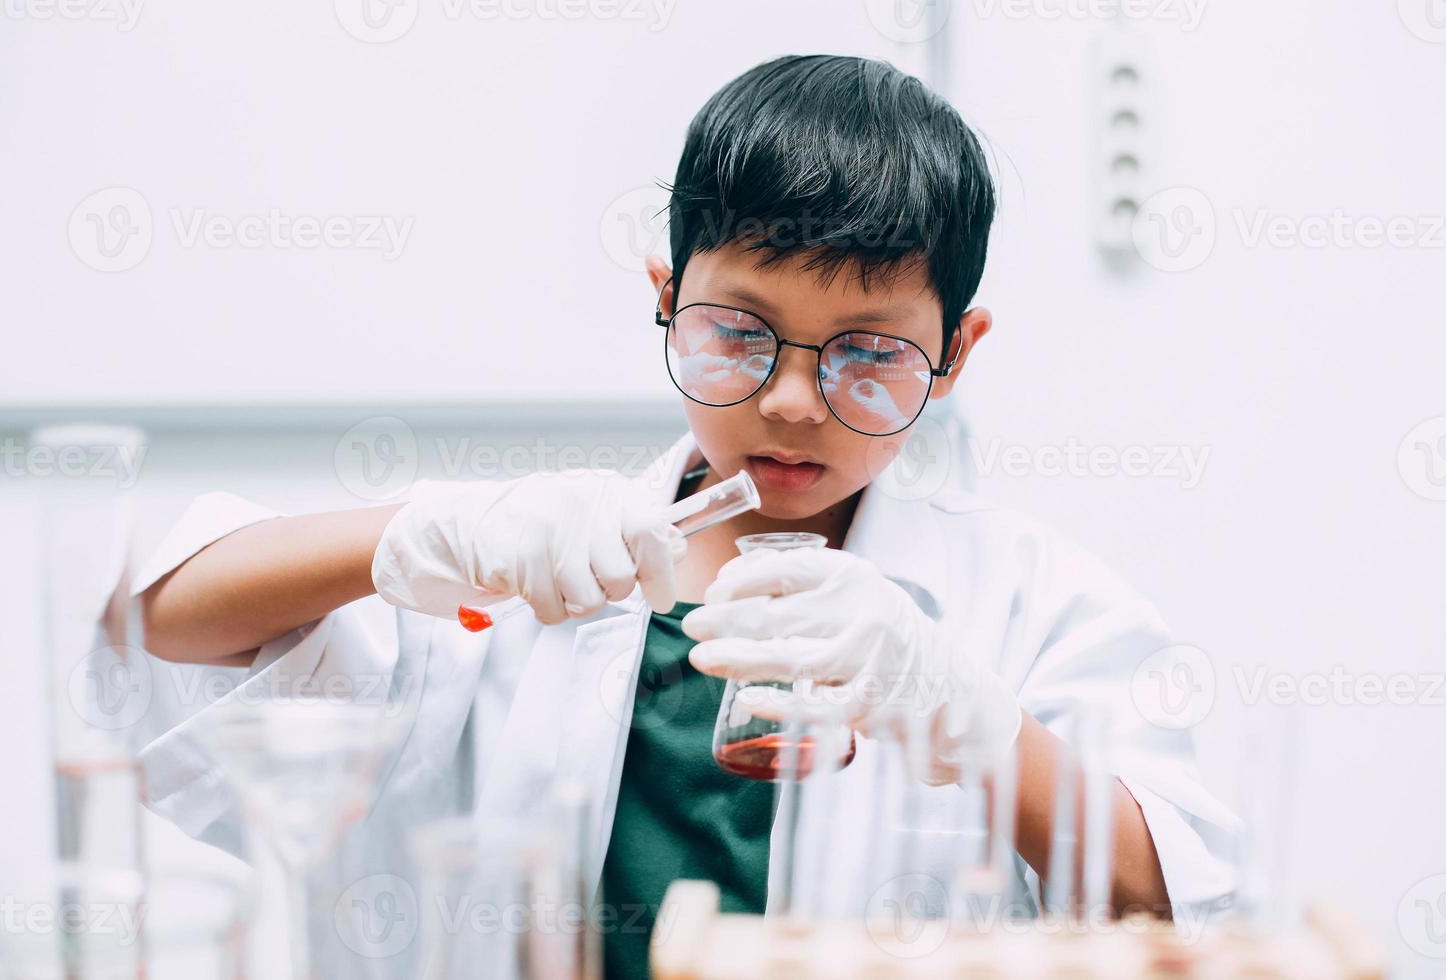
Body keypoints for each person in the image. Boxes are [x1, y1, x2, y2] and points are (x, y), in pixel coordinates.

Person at [136, 54, 1236, 979]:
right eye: (739, 331)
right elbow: (164, 621)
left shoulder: (1032, 604)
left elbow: (1182, 909)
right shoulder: (526, 569)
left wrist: (978, 727)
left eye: (870, 351)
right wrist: (423, 531)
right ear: (666, 298)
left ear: (954, 354)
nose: (794, 399)